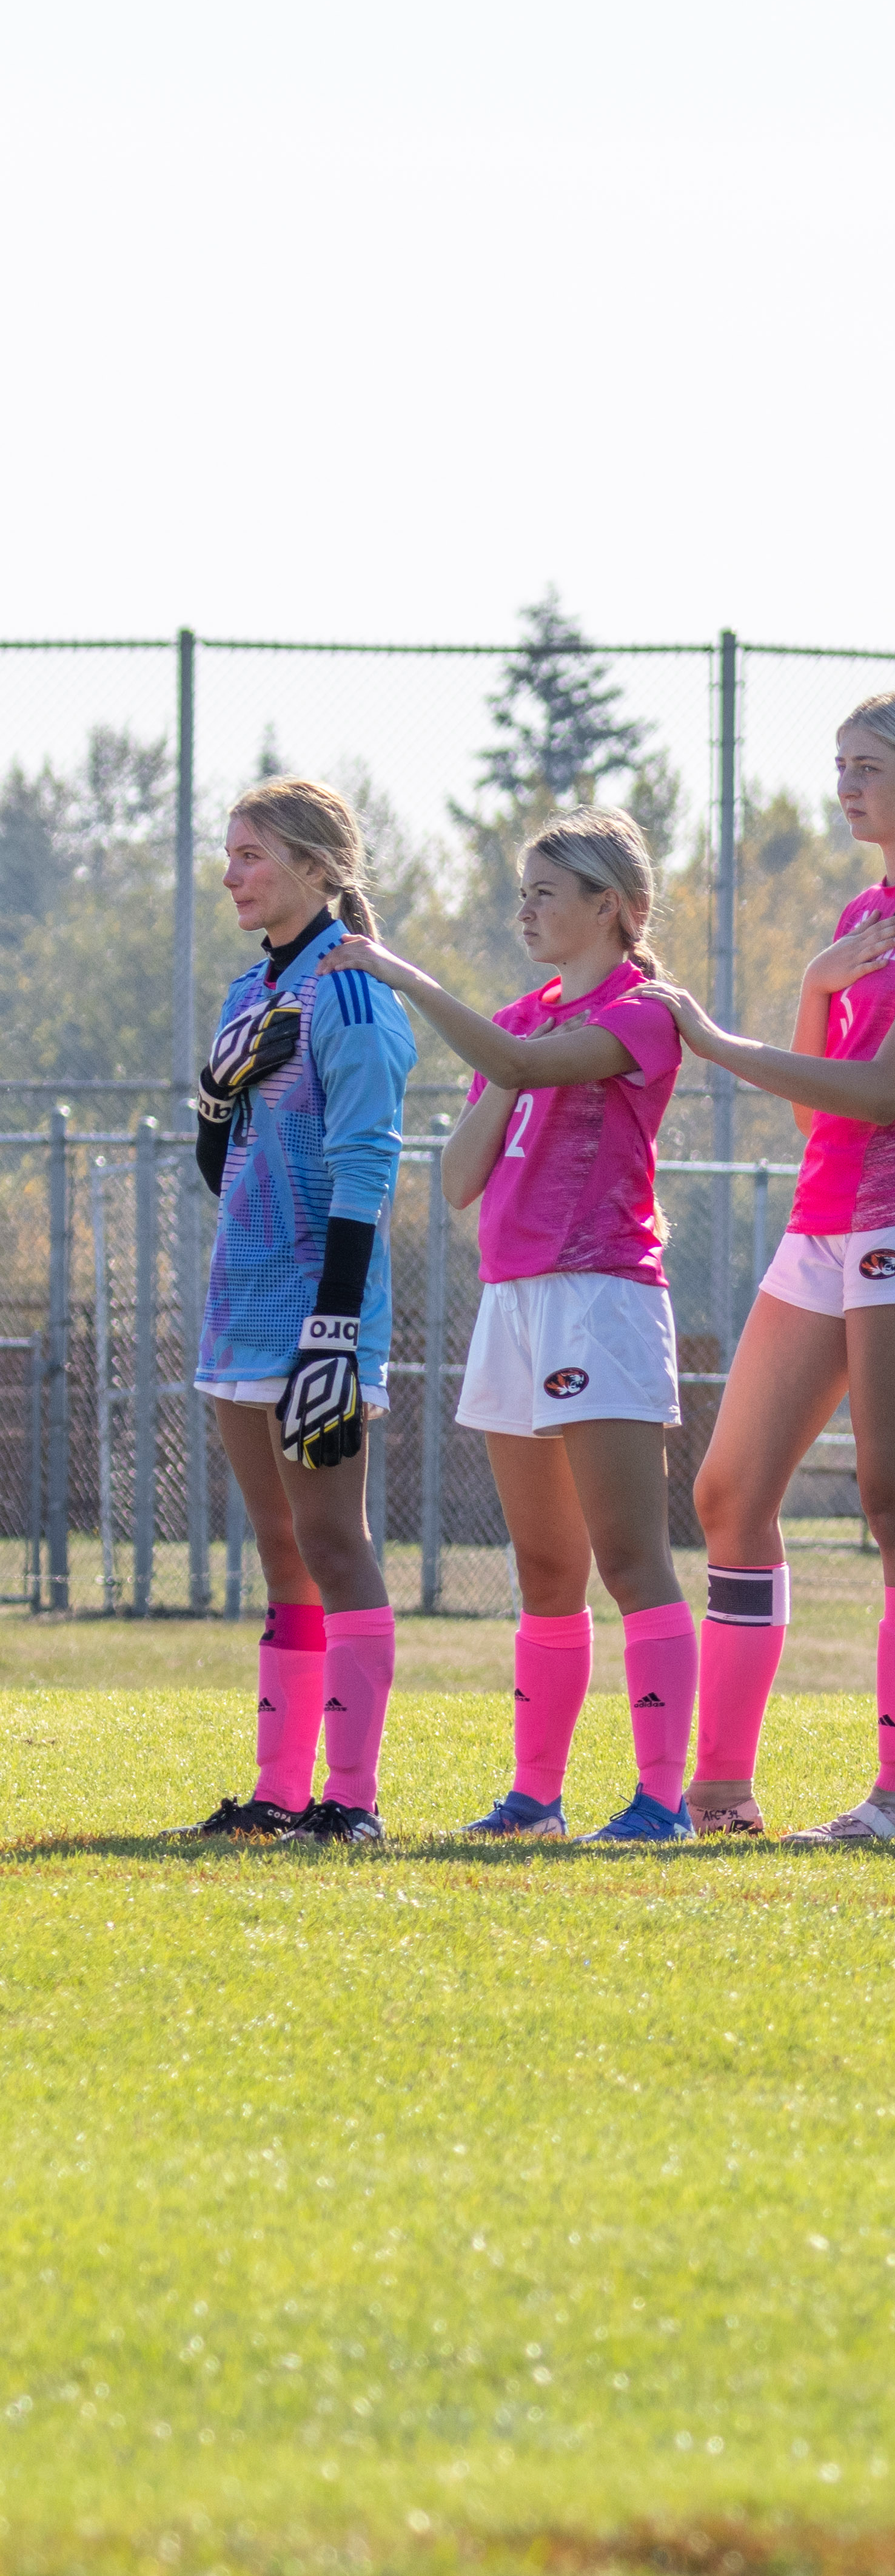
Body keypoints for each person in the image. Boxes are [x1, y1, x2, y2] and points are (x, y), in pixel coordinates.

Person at [647, 693, 895, 1843]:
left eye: (871, 768)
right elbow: (825, 1104)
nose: (849, 785)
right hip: (828, 1214)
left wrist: (716, 1041)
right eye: (842, 765)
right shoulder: (873, 908)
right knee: (726, 1492)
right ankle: (720, 1791)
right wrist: (813, 983)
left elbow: (889, 1091)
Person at [329, 812, 697, 1843]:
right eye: (523, 890)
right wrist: (502, 1052)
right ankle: (537, 1798)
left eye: (545, 892)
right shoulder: (518, 1019)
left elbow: (529, 1070)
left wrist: (406, 976)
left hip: (603, 1295)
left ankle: (661, 1803)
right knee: (544, 1567)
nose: (524, 909)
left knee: (630, 1559)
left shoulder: (647, 1011)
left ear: (610, 909)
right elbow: (456, 1180)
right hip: (515, 1297)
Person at [166, 779, 415, 1845]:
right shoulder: (244, 995)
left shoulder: (352, 993)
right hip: (242, 1304)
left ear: (318, 866)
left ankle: (349, 1804)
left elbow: (366, 1166)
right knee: (280, 1548)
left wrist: (336, 1327)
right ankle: (277, 1796)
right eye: (229, 855)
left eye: (252, 855)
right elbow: (227, 1173)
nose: (232, 874)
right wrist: (217, 1097)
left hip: (321, 1309)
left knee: (332, 1540)